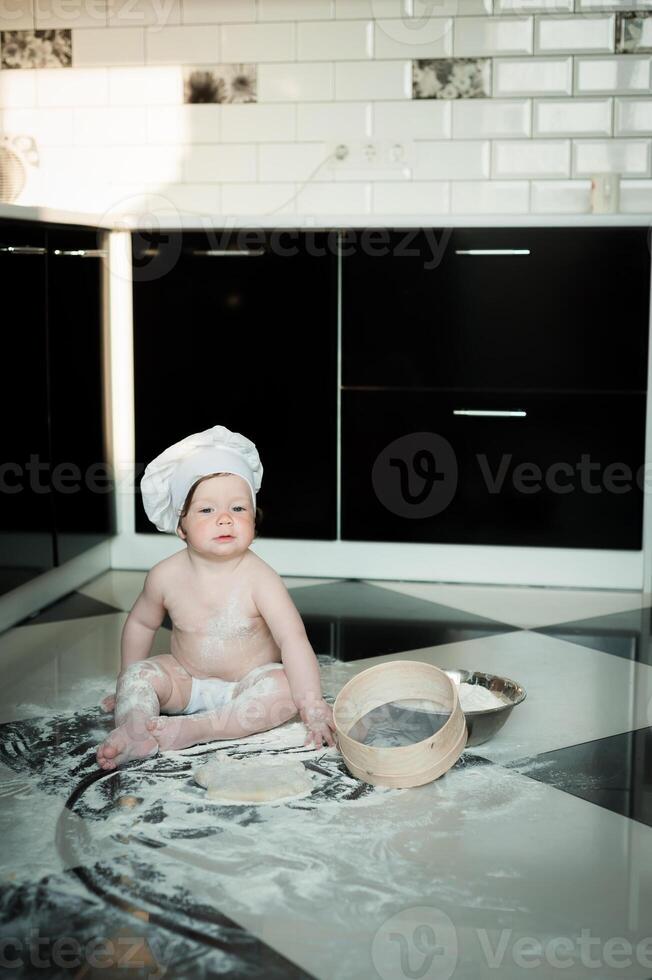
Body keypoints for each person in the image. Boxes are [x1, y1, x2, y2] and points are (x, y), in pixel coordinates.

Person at [96, 424, 337, 771]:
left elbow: (292, 638)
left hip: (247, 685)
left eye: (238, 509)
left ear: (254, 519)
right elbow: (141, 623)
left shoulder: (261, 578)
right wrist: (123, 680)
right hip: (186, 681)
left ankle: (193, 730)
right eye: (207, 511)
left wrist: (312, 703)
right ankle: (136, 728)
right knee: (139, 676)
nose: (225, 519)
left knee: (284, 689)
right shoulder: (165, 575)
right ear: (181, 526)